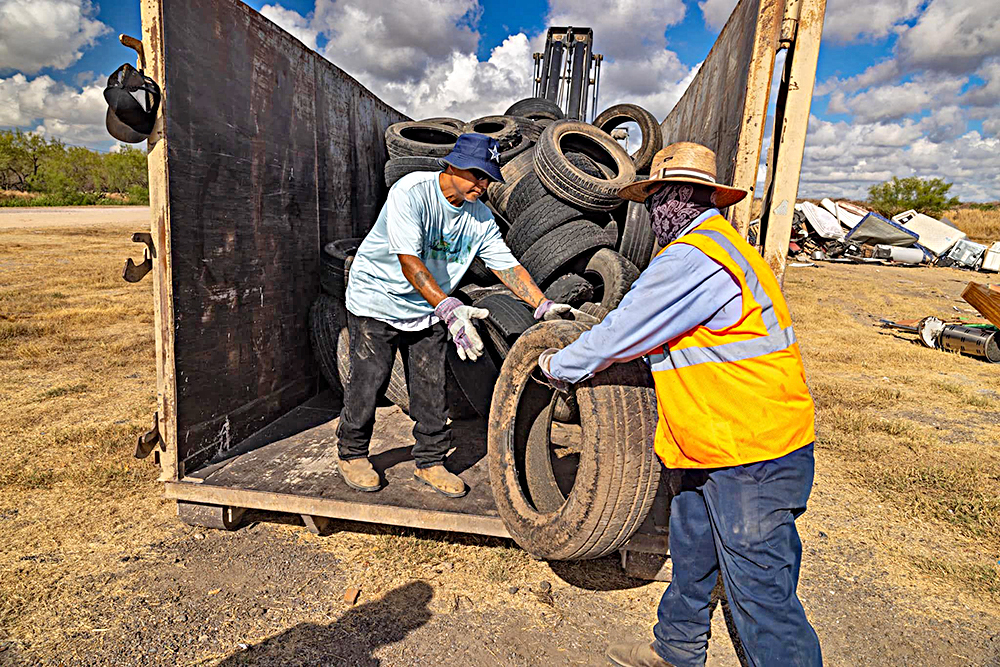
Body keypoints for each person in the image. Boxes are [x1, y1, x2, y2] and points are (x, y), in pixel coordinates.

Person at [538, 142, 822, 667]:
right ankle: (675, 651)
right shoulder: (720, 244)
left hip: (751, 453)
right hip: (707, 446)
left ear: (676, 198)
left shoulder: (695, 257)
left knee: (762, 596)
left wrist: (553, 367)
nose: (650, 212)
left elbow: (622, 334)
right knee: (692, 555)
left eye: (655, 199)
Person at [338, 133, 579, 498]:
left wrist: (541, 304)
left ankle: (431, 461)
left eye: (486, 178)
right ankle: (352, 453)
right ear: (451, 165)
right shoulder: (411, 193)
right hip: (377, 299)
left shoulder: (479, 217)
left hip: (429, 308)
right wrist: (447, 306)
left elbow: (506, 265)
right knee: (369, 380)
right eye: (475, 175)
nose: (481, 185)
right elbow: (409, 261)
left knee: (431, 386)